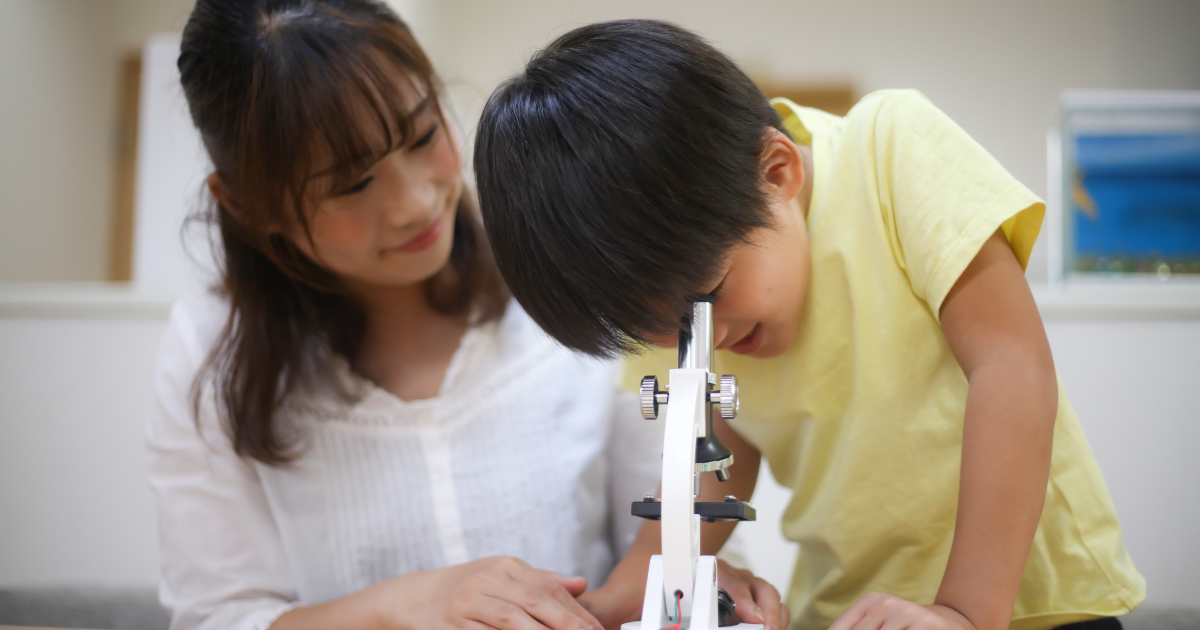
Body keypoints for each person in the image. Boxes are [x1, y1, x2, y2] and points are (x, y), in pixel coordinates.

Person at [472, 19, 1146, 630]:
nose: (707, 338)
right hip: (850, 609)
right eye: (653, 329)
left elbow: (1011, 366)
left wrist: (963, 613)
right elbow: (716, 458)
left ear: (778, 170)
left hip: (1032, 599)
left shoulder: (889, 154)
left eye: (708, 297)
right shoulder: (677, 305)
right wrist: (636, 587)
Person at [147, 4, 784, 630]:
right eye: (350, 185)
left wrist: (697, 580)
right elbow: (219, 615)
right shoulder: (209, 352)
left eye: (424, 136)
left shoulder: (573, 278)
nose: (416, 201)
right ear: (247, 204)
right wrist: (403, 606)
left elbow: (677, 520)